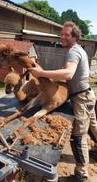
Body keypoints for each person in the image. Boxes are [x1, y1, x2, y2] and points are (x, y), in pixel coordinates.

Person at [29, 21, 97, 181]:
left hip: (81, 99)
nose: (62, 37)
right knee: (93, 126)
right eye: (62, 34)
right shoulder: (79, 50)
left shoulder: (73, 51)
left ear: (75, 37)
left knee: (79, 137)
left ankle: (81, 175)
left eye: (66, 34)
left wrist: (42, 73)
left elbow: (68, 74)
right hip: (87, 95)